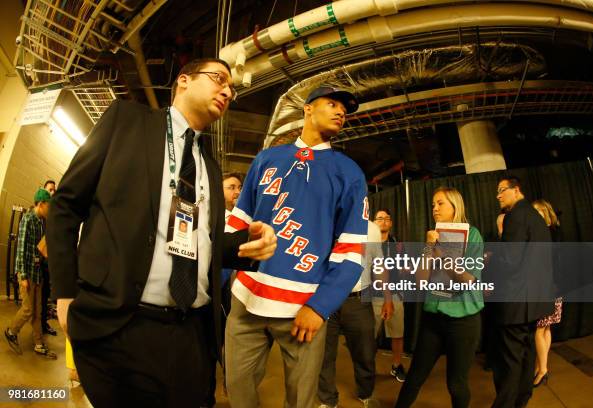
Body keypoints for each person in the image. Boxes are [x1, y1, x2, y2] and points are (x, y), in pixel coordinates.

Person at [46, 58, 277, 408]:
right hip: (122, 324)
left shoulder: (210, 167)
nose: (228, 91)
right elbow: (65, 205)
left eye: (231, 88)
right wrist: (64, 294)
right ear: (183, 81)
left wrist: (245, 244)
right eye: (219, 79)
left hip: (192, 333)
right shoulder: (126, 120)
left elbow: (197, 244)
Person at [224, 86, 367, 408]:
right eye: (332, 104)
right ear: (307, 108)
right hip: (245, 299)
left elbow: (351, 250)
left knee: (301, 400)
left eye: (344, 109)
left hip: (301, 311)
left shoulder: (349, 173)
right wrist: (224, 280)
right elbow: (238, 224)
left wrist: (320, 307)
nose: (340, 112)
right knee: (237, 389)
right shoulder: (267, 159)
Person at [395, 187, 484, 408]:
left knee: (456, 384)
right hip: (434, 319)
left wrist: (442, 255)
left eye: (440, 203)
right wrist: (428, 247)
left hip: (463, 321)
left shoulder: (472, 235)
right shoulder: (432, 236)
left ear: (455, 206)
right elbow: (421, 280)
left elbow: (467, 280)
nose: (434, 208)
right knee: (414, 377)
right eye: (433, 204)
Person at [489, 176, 554, 408]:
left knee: (510, 364)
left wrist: (488, 259)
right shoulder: (536, 216)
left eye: (501, 190)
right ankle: (521, 401)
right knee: (525, 358)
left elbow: (509, 260)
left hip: (516, 304)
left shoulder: (515, 216)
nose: (498, 195)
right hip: (534, 302)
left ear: (516, 190)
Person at [318, 221, 390, 408]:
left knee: (365, 352)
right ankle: (327, 399)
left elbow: (379, 264)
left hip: (357, 299)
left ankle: (366, 392)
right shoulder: (324, 218)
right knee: (323, 354)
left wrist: (388, 297)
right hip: (324, 298)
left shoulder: (371, 229)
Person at [4, 188, 57, 359]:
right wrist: (23, 277)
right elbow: (20, 250)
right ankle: (11, 331)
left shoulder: (42, 222)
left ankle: (39, 343)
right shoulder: (27, 219)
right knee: (27, 310)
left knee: (37, 312)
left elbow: (39, 249)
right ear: (41, 204)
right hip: (27, 274)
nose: (50, 210)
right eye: (49, 206)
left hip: (38, 274)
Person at [372, 208, 407, 382]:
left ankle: (396, 365)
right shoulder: (368, 244)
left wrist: (405, 270)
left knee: (397, 334)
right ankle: (367, 368)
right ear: (373, 222)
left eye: (387, 218)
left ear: (391, 223)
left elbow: (404, 269)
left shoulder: (398, 245)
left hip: (395, 294)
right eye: (379, 218)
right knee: (369, 337)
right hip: (372, 296)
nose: (383, 221)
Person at [532, 199, 563, 387]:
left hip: (547, 288)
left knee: (539, 329)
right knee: (546, 328)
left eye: (539, 212)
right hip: (555, 286)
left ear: (546, 213)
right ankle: (540, 366)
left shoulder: (546, 234)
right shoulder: (553, 233)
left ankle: (542, 370)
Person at [40, 179, 57, 336]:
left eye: (54, 190)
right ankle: (38, 327)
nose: (53, 192)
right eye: (50, 190)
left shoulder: (52, 213)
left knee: (45, 295)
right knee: (37, 298)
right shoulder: (39, 212)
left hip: (47, 261)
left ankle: (43, 325)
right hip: (38, 262)